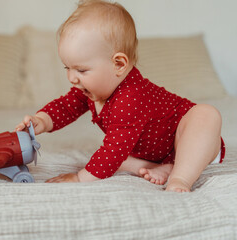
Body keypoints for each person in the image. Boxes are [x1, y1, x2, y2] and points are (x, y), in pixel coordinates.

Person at [14, 0, 225, 192]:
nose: (72, 78)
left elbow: (114, 148)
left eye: (81, 70)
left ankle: (180, 177)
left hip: (189, 139)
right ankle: (164, 167)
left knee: (206, 115)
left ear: (119, 64)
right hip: (155, 153)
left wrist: (80, 178)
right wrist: (41, 120)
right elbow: (65, 107)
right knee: (114, 158)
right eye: (67, 68)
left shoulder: (130, 97)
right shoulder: (93, 89)